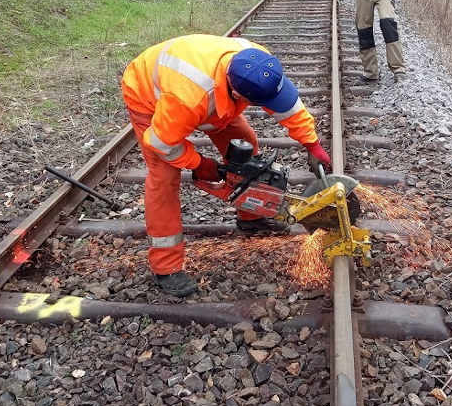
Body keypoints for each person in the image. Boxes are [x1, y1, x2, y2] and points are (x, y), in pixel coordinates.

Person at [121, 34, 331, 297]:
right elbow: (161, 143)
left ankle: (251, 216)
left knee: (245, 143)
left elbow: (289, 108)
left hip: (207, 94)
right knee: (164, 175)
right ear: (236, 93)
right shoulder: (190, 98)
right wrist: (199, 164)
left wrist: (312, 144)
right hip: (149, 97)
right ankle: (166, 266)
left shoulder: (256, 60)